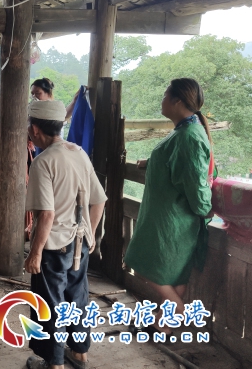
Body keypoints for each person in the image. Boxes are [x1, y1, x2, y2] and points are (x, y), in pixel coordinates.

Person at [124, 78, 213, 335]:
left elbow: (195, 182)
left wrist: (204, 209)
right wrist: (151, 161)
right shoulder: (183, 130)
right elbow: (175, 162)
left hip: (175, 219)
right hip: (168, 216)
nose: (161, 100)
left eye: (165, 95)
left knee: (144, 266)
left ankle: (180, 311)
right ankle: (164, 324)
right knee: (175, 275)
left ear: (177, 100)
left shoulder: (189, 137)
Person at [23, 100, 106, 369]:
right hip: (80, 243)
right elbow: (99, 200)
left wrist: (35, 253)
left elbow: (47, 215)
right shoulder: (78, 152)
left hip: (54, 246)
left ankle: (55, 363)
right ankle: (79, 353)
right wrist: (90, 234)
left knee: (50, 304)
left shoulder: (43, 162)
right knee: (77, 298)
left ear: (35, 130)